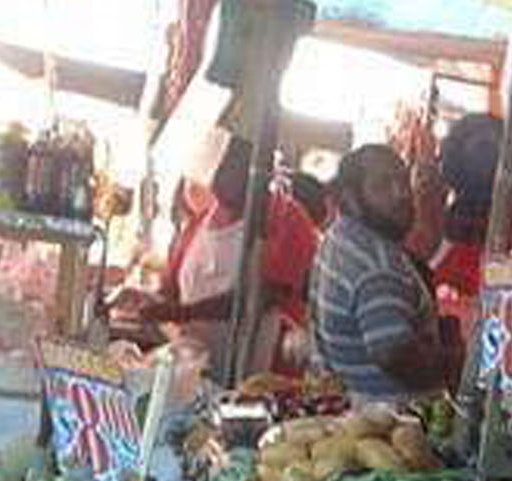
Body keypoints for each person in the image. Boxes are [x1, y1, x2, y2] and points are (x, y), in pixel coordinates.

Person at [123, 134, 318, 376]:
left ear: (262, 171)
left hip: (258, 380)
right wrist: (145, 300)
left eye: (238, 165)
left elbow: (259, 297)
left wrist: (183, 312)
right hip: (192, 372)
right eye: (222, 165)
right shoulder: (197, 224)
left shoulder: (288, 220)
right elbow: (172, 295)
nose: (227, 174)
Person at [310, 144, 449, 399]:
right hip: (393, 420)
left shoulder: (340, 234)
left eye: (403, 180)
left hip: (353, 401)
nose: (401, 195)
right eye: (382, 185)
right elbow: (396, 356)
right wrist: (457, 365)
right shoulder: (378, 267)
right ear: (352, 197)